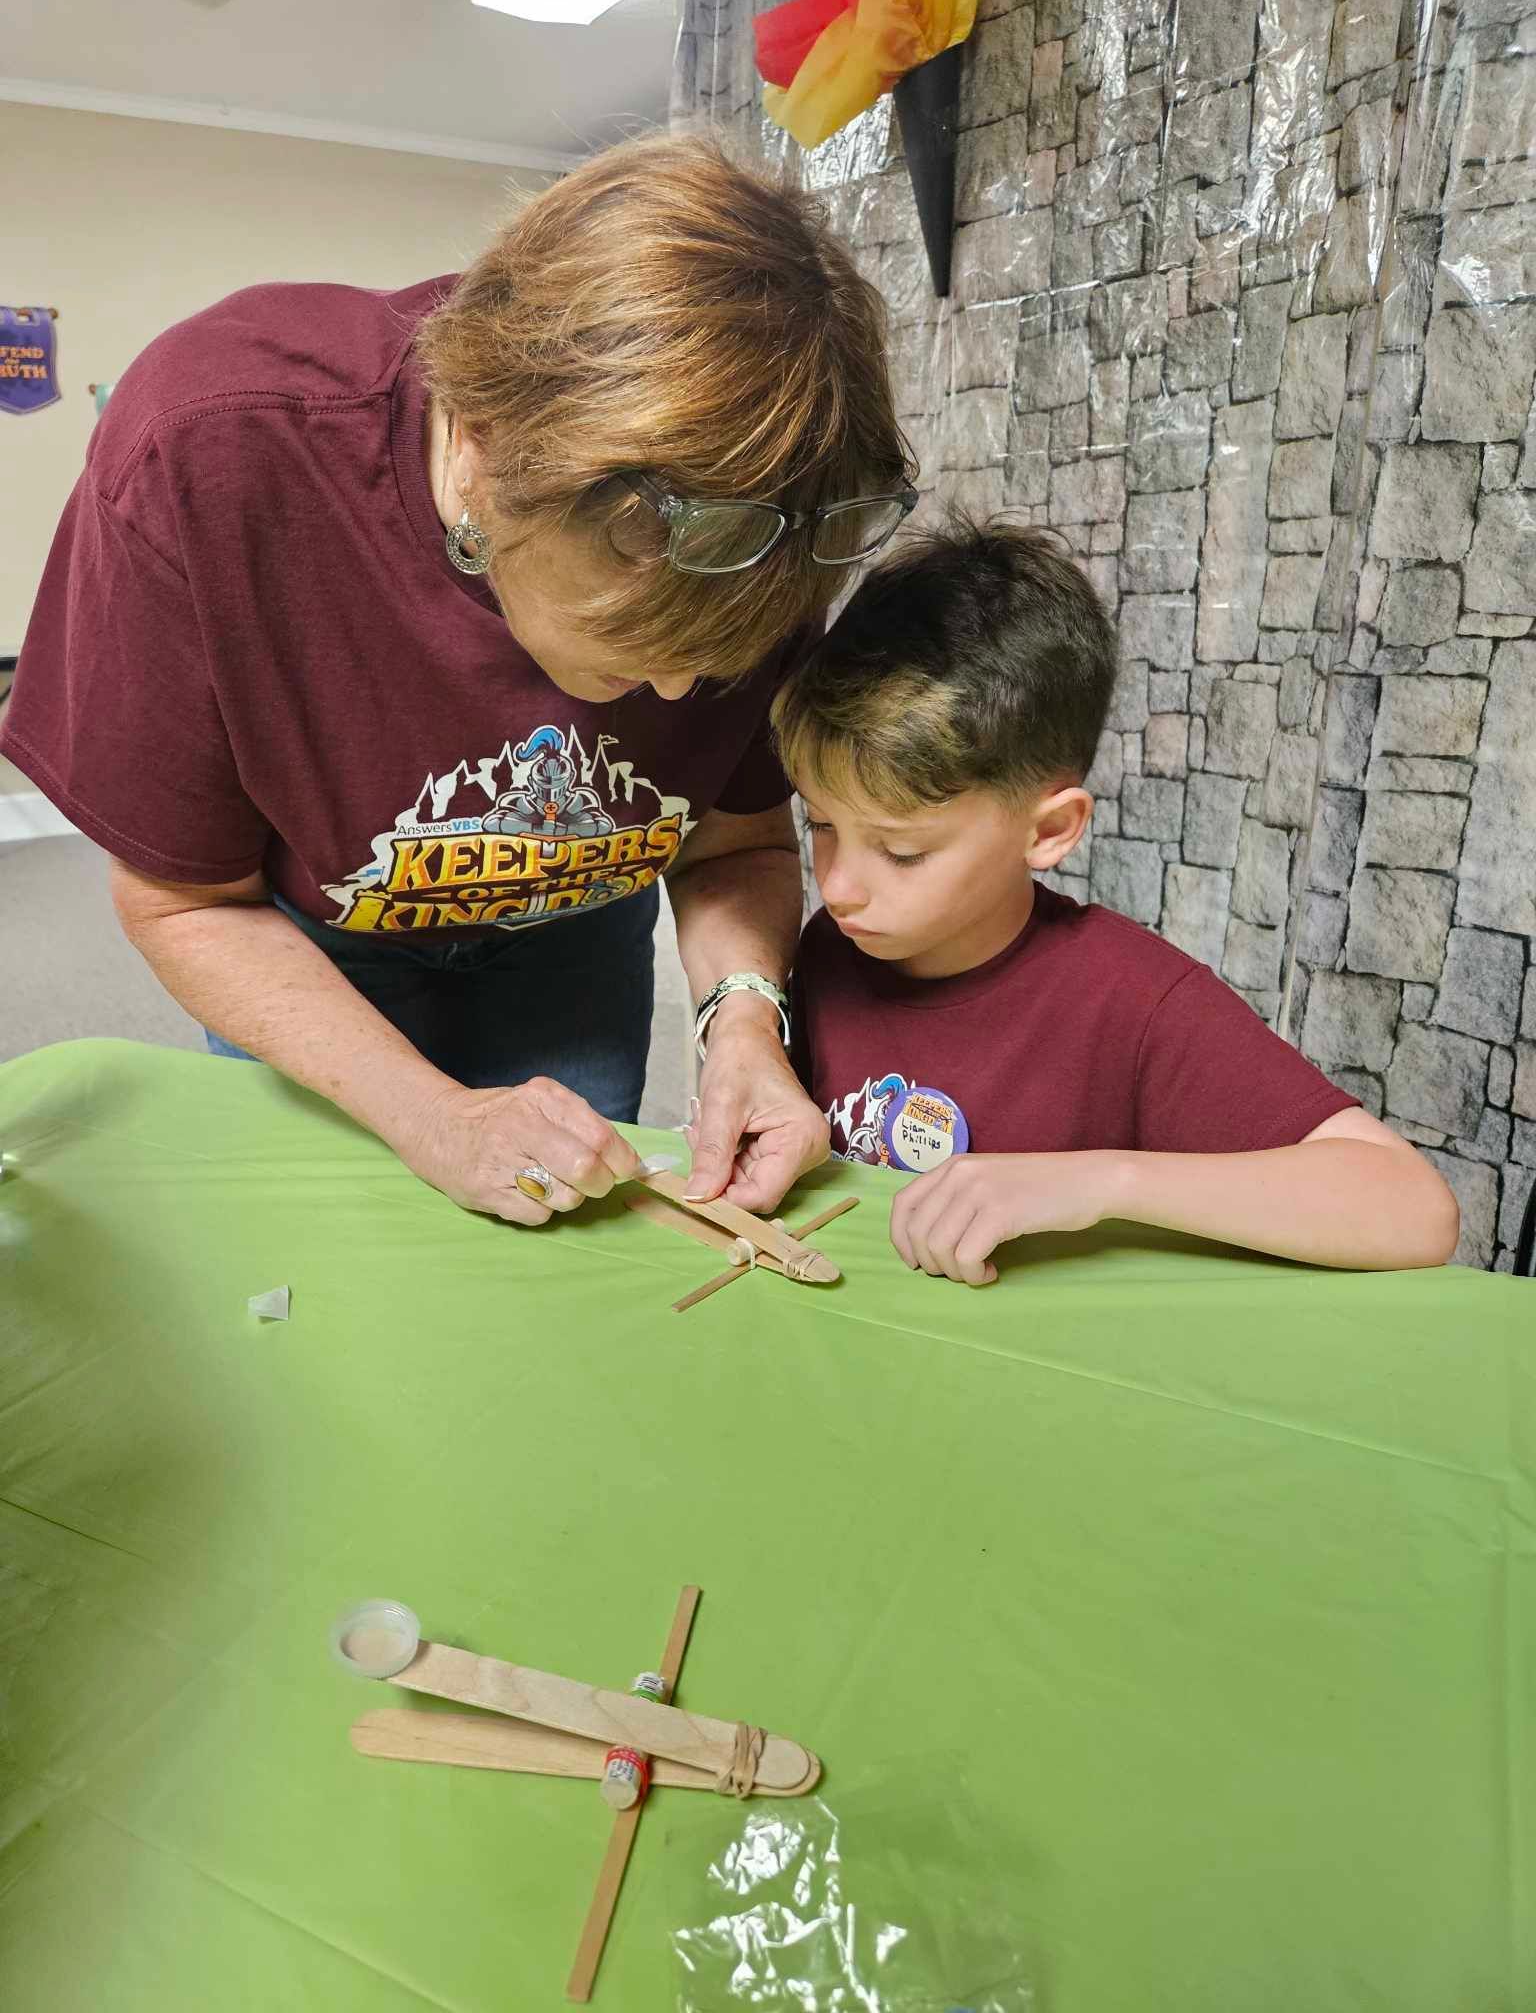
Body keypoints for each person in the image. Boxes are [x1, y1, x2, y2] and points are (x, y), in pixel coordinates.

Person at [2, 136, 917, 1229]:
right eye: (627, 649)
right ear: (482, 460)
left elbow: (736, 839)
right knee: (335, 1247)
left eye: (716, 663)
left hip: (581, 915)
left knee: (567, 1236)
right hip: (309, 932)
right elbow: (183, 899)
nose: (677, 700)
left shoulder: (772, 514)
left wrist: (742, 1019)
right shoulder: (206, 452)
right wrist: (431, 1115)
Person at [771, 518, 1461, 1285]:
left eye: (903, 851)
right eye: (821, 824)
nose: (836, 887)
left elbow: (1414, 1208)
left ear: (1051, 830)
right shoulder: (833, 950)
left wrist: (1105, 1181)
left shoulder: (1132, 998)